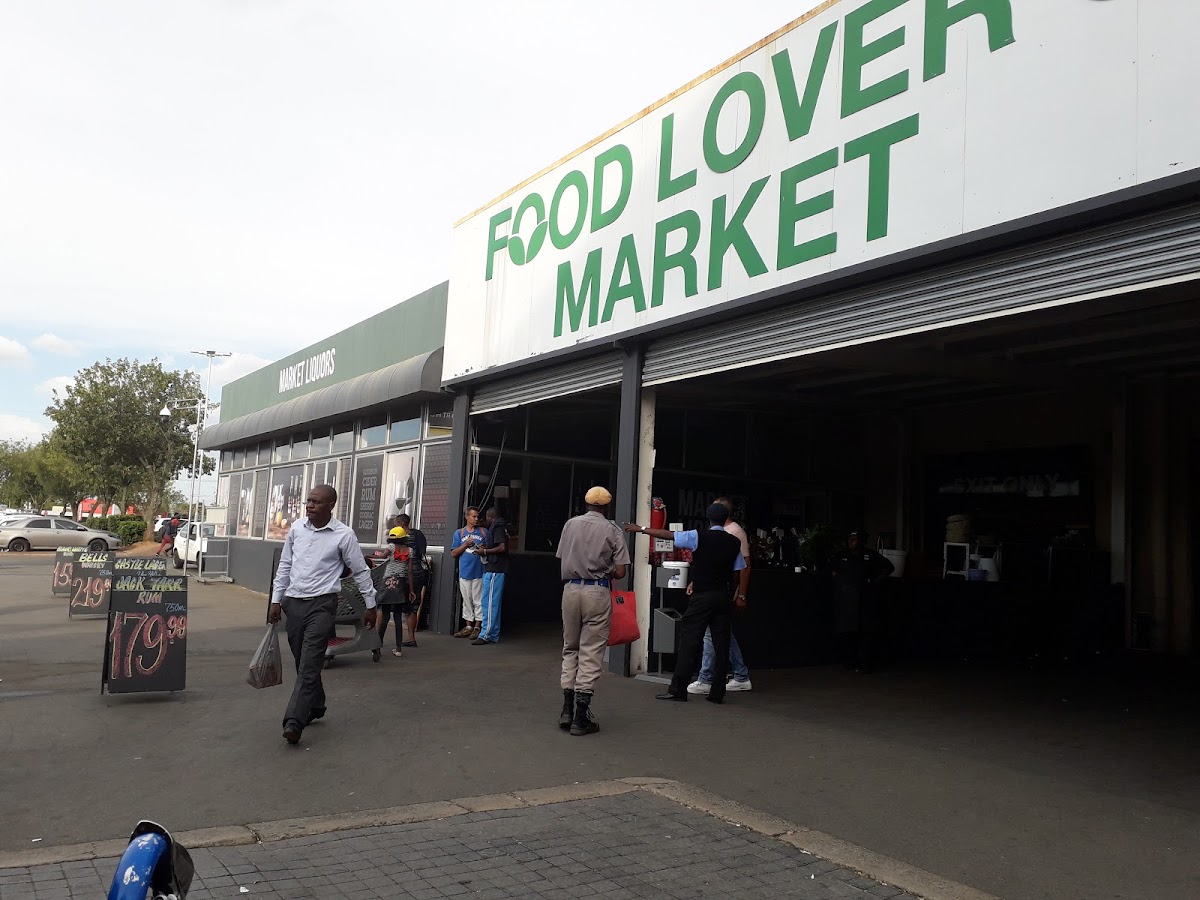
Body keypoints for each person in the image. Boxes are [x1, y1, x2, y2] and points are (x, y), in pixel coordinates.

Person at [268, 484, 377, 744]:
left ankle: (294, 721)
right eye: (308, 501)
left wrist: (370, 605)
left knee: (309, 662)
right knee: (302, 660)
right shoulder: (297, 529)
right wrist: (275, 600)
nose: (310, 505)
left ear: (331, 506)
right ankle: (316, 705)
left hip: (322, 606)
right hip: (294, 604)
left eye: (316, 502)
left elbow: (360, 570)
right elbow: (285, 565)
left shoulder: (343, 535)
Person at [626, 503, 748, 704]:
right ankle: (717, 692)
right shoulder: (734, 542)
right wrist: (731, 593)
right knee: (722, 643)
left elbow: (669, 535)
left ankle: (678, 689)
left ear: (709, 518)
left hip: (702, 596)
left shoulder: (698, 536)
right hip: (722, 596)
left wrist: (642, 529)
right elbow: (737, 572)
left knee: (690, 641)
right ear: (726, 518)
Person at [555, 486, 630, 736]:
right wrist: (605, 570)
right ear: (606, 506)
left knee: (570, 647)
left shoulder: (570, 525)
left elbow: (562, 556)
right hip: (597, 591)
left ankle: (566, 708)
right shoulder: (612, 530)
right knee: (591, 650)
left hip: (571, 589)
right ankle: (580, 716)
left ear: (586, 503)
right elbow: (620, 571)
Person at [688, 496, 753, 695]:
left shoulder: (735, 533)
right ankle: (739, 675)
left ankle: (707, 678)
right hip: (720, 590)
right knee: (722, 635)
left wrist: (741, 595)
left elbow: (744, 566)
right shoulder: (725, 533)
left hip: (722, 592)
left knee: (711, 635)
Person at [832, 528, 895, 673]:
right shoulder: (842, 555)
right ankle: (849, 662)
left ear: (862, 541)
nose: (851, 541)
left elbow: (889, 567)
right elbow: (833, 569)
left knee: (865, 632)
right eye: (850, 538)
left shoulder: (871, 555)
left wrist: (874, 582)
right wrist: (840, 581)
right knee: (847, 632)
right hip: (846, 601)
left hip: (865, 600)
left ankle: (864, 664)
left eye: (854, 539)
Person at [372, 526, 415, 660]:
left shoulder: (391, 547)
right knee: (397, 617)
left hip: (387, 583)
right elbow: (410, 571)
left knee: (384, 616)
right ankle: (398, 649)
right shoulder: (410, 550)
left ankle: (377, 647)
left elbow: (382, 557)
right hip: (400, 584)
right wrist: (411, 590)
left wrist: (371, 555)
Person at [472, 507, 508, 645]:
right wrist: (485, 547)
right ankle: (493, 634)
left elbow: (502, 547)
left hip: (495, 569)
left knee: (489, 603)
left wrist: (485, 551)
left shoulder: (497, 527)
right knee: (492, 603)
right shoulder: (501, 526)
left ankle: (485, 634)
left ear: (489, 517)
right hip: (495, 569)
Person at [450, 507, 486, 638]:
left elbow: (489, 549)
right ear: (467, 517)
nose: (476, 519)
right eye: (473, 516)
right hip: (465, 571)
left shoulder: (483, 532)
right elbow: (454, 553)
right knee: (466, 600)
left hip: (479, 571)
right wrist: (465, 544)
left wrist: (484, 549)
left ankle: (477, 626)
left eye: (477, 516)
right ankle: (468, 626)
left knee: (478, 600)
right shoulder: (459, 533)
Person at [395, 513, 428, 646]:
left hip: (404, 573)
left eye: (396, 524)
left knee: (399, 605)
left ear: (402, 524)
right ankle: (411, 637)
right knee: (413, 606)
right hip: (418, 572)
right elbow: (422, 551)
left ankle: (401, 640)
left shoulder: (399, 538)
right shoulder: (418, 534)